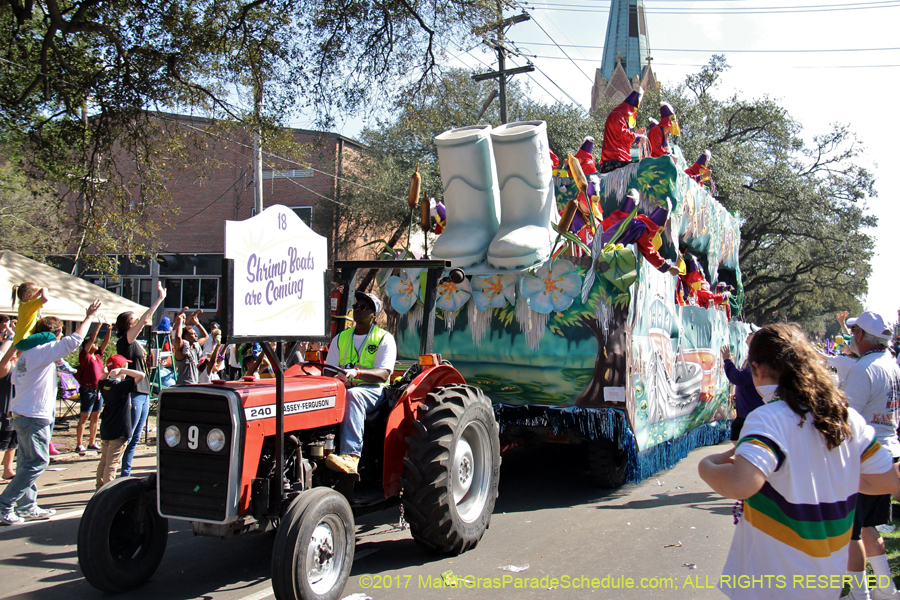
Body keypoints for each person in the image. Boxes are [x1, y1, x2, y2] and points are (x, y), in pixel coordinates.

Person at [698, 323, 898, 600]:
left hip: (771, 584)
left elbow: (741, 484)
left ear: (757, 368)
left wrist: (706, 465)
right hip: (825, 582)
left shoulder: (767, 418)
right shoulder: (847, 418)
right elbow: (888, 481)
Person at [0, 299, 102, 525]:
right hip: (33, 416)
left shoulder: (28, 353)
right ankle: (5, 504)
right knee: (37, 462)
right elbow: (73, 341)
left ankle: (27, 505)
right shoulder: (42, 351)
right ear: (54, 334)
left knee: (26, 462)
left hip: (24, 413)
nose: (60, 337)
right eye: (59, 333)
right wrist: (89, 317)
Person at [840, 311, 900, 600]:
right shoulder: (891, 364)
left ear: (862, 335)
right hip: (888, 454)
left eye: (854, 332)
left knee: (850, 533)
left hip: (865, 457)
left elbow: (846, 417)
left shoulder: (864, 368)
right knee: (869, 526)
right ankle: (886, 588)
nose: (852, 337)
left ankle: (859, 593)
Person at [324, 291, 397, 475]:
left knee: (353, 395)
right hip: (344, 386)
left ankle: (351, 456)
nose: (357, 310)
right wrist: (338, 377)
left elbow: (383, 374)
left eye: (363, 307)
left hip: (375, 390)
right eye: (356, 306)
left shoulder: (384, 338)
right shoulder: (340, 338)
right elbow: (328, 371)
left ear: (374, 314)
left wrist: (357, 373)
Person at [115, 281, 166, 478]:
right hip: (134, 391)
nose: (138, 320)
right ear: (127, 325)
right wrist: (159, 299)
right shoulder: (125, 341)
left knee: (136, 437)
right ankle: (117, 471)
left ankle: (125, 473)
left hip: (144, 391)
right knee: (128, 436)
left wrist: (154, 361)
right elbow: (145, 318)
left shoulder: (136, 343)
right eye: (133, 319)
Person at [95, 355, 145, 489]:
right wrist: (122, 371)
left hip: (107, 427)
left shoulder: (105, 385)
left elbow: (100, 379)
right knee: (112, 462)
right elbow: (141, 375)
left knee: (104, 460)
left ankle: (99, 485)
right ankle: (107, 489)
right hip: (119, 429)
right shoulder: (120, 386)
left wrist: (107, 373)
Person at [74, 317, 112, 454]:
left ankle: (92, 442)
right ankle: (79, 444)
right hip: (88, 389)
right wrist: (98, 325)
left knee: (96, 417)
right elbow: (91, 339)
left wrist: (109, 329)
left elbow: (105, 342)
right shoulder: (85, 356)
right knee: (84, 417)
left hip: (98, 390)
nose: (96, 344)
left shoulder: (97, 356)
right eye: (94, 343)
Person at [720, 327, 764, 443]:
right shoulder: (752, 358)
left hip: (751, 415)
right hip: (746, 414)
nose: (748, 335)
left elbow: (740, 379)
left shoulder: (757, 360)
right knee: (737, 438)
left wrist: (727, 361)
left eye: (752, 333)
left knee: (742, 443)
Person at [599, 88, 644, 173]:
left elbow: (622, 136)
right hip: (615, 158)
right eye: (633, 110)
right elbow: (622, 134)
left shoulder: (620, 116)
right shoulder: (617, 115)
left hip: (619, 158)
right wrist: (637, 137)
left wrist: (637, 135)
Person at [172, 309, 208, 385]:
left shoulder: (195, 347)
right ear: (186, 336)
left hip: (194, 384)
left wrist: (197, 323)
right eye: (193, 334)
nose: (196, 335)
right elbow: (178, 337)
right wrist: (180, 321)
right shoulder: (181, 349)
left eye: (195, 333)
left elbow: (205, 336)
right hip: (183, 385)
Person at [0, 339, 16, 483]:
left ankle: (8, 469)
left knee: (12, 442)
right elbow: (5, 352)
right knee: (2, 443)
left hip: (15, 411)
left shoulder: (17, 365)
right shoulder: (4, 367)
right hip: (4, 410)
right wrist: (15, 339)